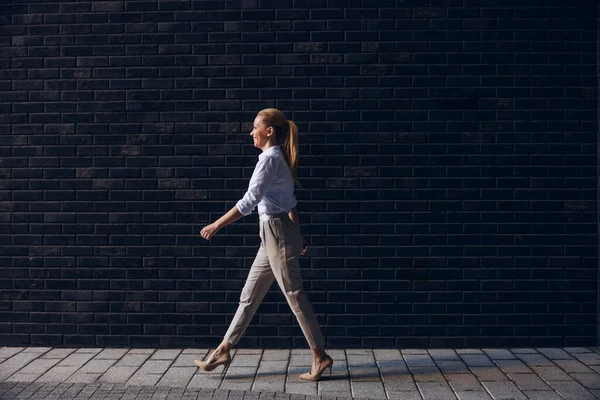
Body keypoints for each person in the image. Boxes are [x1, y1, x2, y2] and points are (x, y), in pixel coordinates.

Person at [193, 108, 333, 381]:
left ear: (269, 131)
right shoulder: (276, 159)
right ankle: (224, 349)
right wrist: (297, 234)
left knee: (294, 295)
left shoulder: (269, 160)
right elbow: (290, 204)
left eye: (255, 126)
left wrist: (216, 225)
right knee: (249, 294)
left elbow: (249, 201)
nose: (251, 131)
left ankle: (320, 356)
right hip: (274, 233)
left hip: (277, 233)